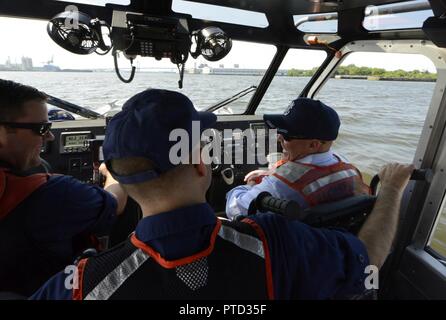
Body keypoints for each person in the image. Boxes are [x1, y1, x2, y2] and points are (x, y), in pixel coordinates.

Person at [30, 89, 413, 300]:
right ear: (200, 166)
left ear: (115, 176)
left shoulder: (82, 283)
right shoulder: (277, 242)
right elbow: (369, 262)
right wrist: (392, 188)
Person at [0, 79, 127, 296]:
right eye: (41, 128)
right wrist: (113, 176)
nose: (49, 136)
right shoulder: (56, 193)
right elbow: (115, 203)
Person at [226, 97, 370, 220]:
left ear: (313, 145)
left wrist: (250, 186)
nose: (278, 138)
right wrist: (270, 174)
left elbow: (235, 210)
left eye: (286, 136)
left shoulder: (282, 185)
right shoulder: (344, 163)